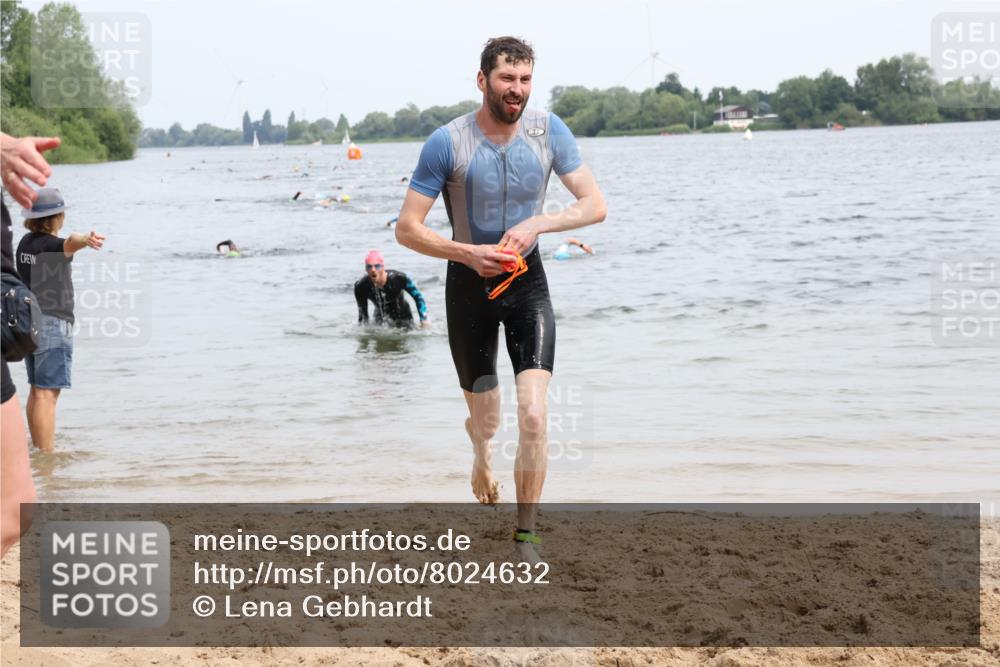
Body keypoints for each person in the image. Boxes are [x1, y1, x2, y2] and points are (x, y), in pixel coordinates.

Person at [394, 37, 606, 556]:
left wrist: (539, 222)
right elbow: (406, 229)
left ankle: (526, 533)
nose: (517, 90)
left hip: (526, 282)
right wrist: (466, 254)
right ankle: (481, 453)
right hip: (468, 287)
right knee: (487, 418)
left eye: (526, 79)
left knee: (534, 413)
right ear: (483, 79)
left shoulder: (548, 131)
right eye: (508, 79)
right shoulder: (447, 142)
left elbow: (595, 204)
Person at [1, 132, 61, 556]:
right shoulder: (53, 244)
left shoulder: (25, 242)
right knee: (13, 511)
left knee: (13, 513)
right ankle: (49, 451)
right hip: (45, 327)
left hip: (11, 323)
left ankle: (46, 450)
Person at [16, 188, 104, 453]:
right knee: (47, 394)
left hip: (29, 321)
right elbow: (70, 243)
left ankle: (37, 448)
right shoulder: (54, 247)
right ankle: (46, 456)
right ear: (57, 217)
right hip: (52, 323)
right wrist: (86, 239)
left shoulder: (25, 244)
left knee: (36, 390)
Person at [354, 250, 430, 329]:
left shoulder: (399, 278)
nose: (373, 270)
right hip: (380, 319)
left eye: (377, 266)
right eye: (369, 266)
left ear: (383, 267)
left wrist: (423, 319)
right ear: (366, 269)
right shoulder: (361, 287)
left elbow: (418, 297)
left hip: (404, 317)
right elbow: (363, 318)